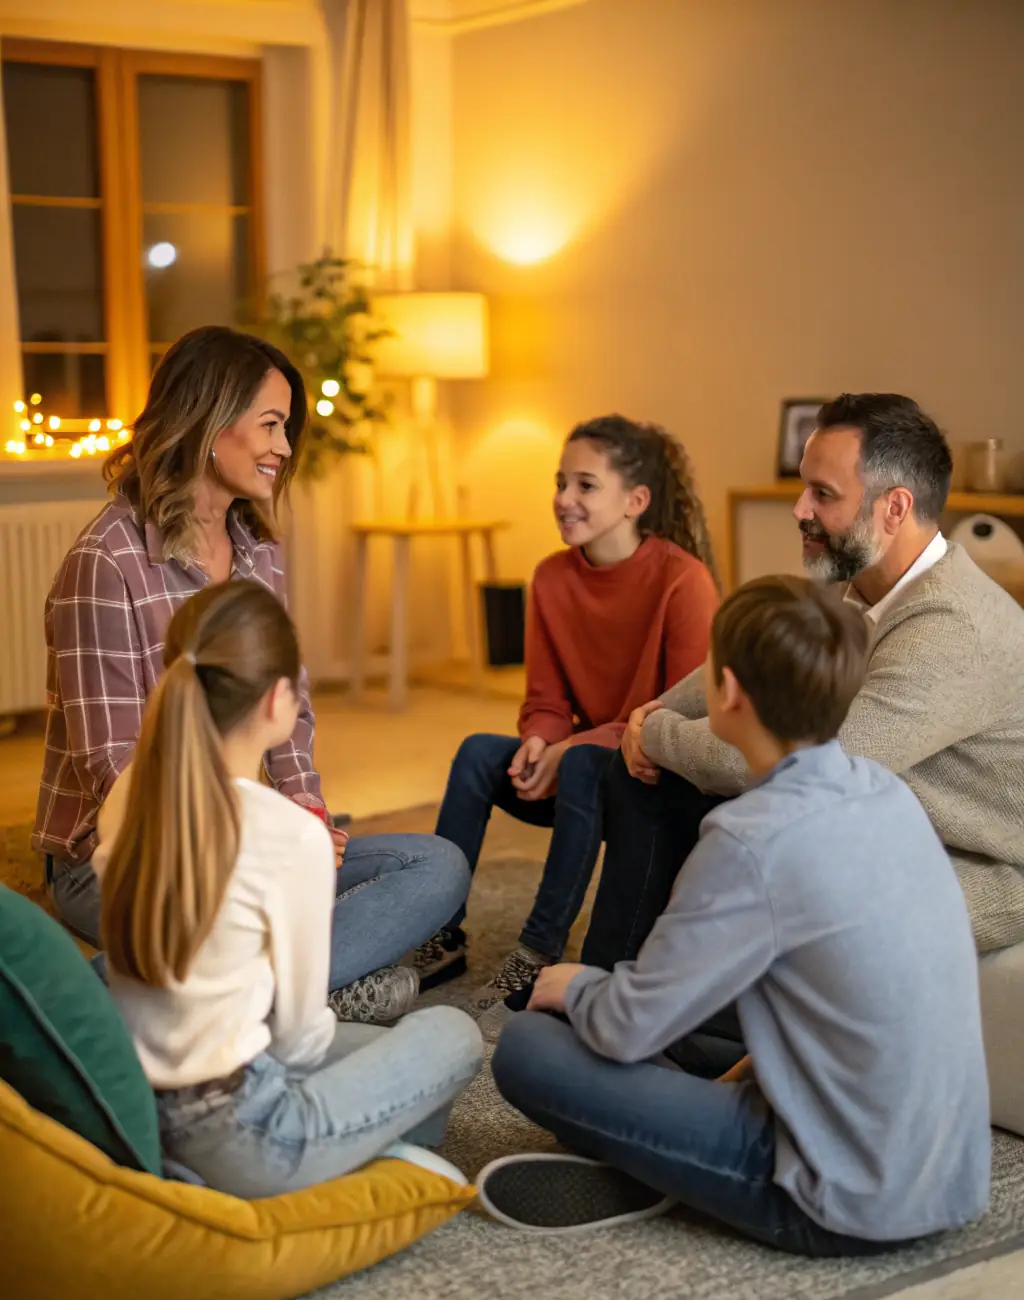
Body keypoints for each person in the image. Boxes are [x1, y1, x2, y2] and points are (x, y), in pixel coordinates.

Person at [480, 576, 991, 1249]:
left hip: (833, 1198)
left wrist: (575, 984)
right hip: (949, 1178)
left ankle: (669, 1166)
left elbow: (627, 1026)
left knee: (528, 1044)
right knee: (700, 1034)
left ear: (727, 692)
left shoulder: (751, 836)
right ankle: (670, 1150)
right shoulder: (887, 793)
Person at [33, 325, 469, 1023]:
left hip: (247, 832)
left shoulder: (258, 552)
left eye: (286, 428)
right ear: (210, 422)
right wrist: (252, 840)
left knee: (435, 866)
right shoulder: (105, 561)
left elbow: (289, 714)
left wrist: (306, 813)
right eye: (271, 424)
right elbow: (111, 765)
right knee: (248, 901)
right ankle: (297, 991)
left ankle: (251, 995)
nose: (285, 449)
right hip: (129, 855)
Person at [582, 392, 1024, 976]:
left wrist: (656, 734)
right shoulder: (862, 587)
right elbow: (745, 659)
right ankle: (626, 983)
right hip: (886, 818)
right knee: (650, 777)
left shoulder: (950, 628)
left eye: (823, 494)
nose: (799, 509)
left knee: (743, 816)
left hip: (978, 865)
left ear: (894, 509)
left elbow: (797, 771)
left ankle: (651, 1006)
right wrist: (651, 713)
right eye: (804, 487)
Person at [95, 578, 483, 1198]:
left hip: (130, 1107)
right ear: (279, 699)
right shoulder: (287, 835)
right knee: (451, 1036)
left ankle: (370, 1140)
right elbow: (298, 1044)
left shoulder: (127, 795)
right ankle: (370, 1161)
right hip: (246, 1138)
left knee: (374, 1044)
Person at [417, 415, 720, 1031]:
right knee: (481, 751)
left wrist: (571, 747)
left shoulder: (683, 581)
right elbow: (546, 698)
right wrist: (538, 740)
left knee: (582, 763)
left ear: (635, 501)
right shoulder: (552, 578)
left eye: (584, 485)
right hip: (579, 770)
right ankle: (437, 935)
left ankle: (538, 950)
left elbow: (681, 711)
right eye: (561, 482)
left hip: (645, 777)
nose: (563, 499)